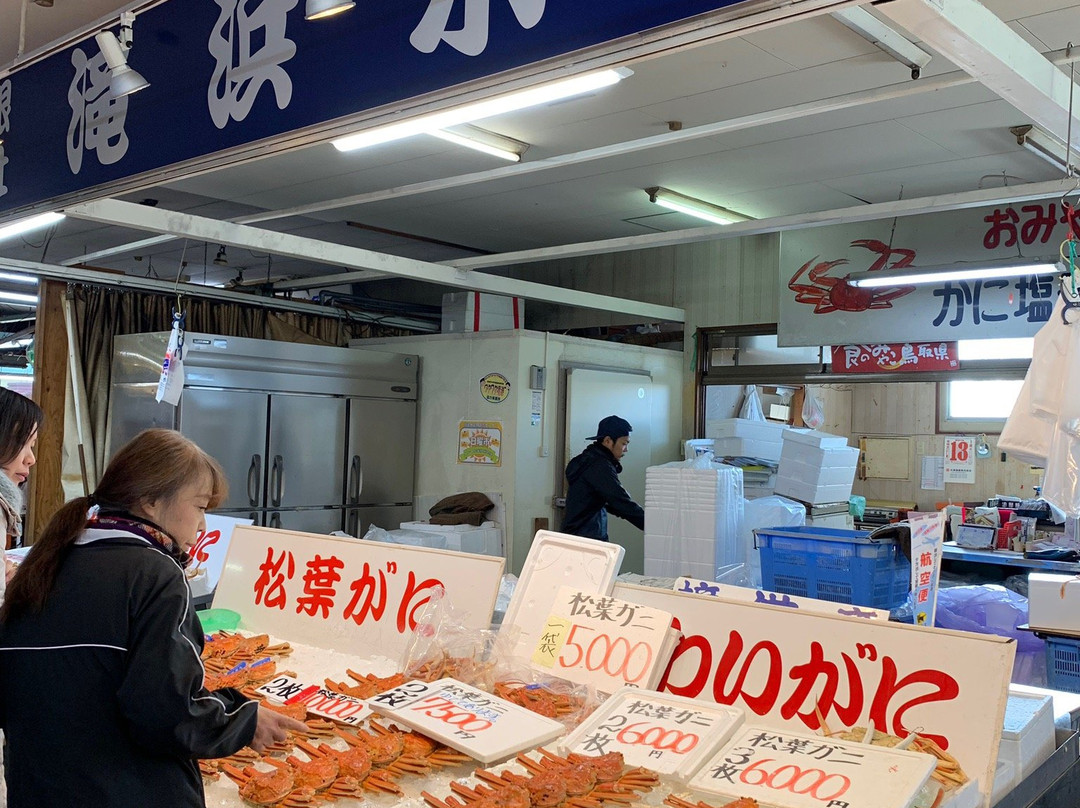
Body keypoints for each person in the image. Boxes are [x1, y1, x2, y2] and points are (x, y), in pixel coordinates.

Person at [0, 428, 306, 808]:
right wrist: (242, 721)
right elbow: (164, 714)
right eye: (199, 507)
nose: (202, 526)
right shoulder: (155, 574)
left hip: (37, 789)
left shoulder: (46, 562)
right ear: (149, 500)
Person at [561, 415, 645, 542]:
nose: (626, 450)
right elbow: (620, 501)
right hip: (586, 540)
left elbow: (610, 502)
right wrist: (653, 525)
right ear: (607, 441)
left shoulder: (588, 460)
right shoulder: (599, 466)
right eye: (624, 443)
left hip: (578, 536)